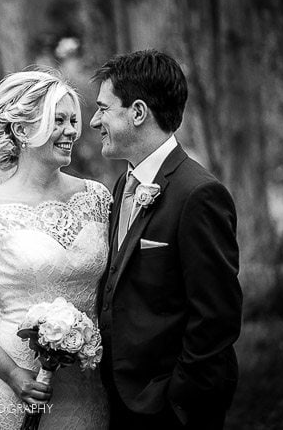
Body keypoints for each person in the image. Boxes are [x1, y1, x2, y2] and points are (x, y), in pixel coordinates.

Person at [0, 70, 111, 429]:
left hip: (87, 380)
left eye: (72, 121)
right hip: (13, 380)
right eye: (58, 121)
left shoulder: (98, 198)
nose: (71, 132)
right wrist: (13, 373)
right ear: (22, 131)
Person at [90, 49, 243, 430]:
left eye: (104, 109)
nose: (94, 121)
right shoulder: (125, 183)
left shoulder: (198, 195)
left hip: (168, 408)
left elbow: (217, 316)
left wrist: (177, 397)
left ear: (138, 113)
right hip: (120, 399)